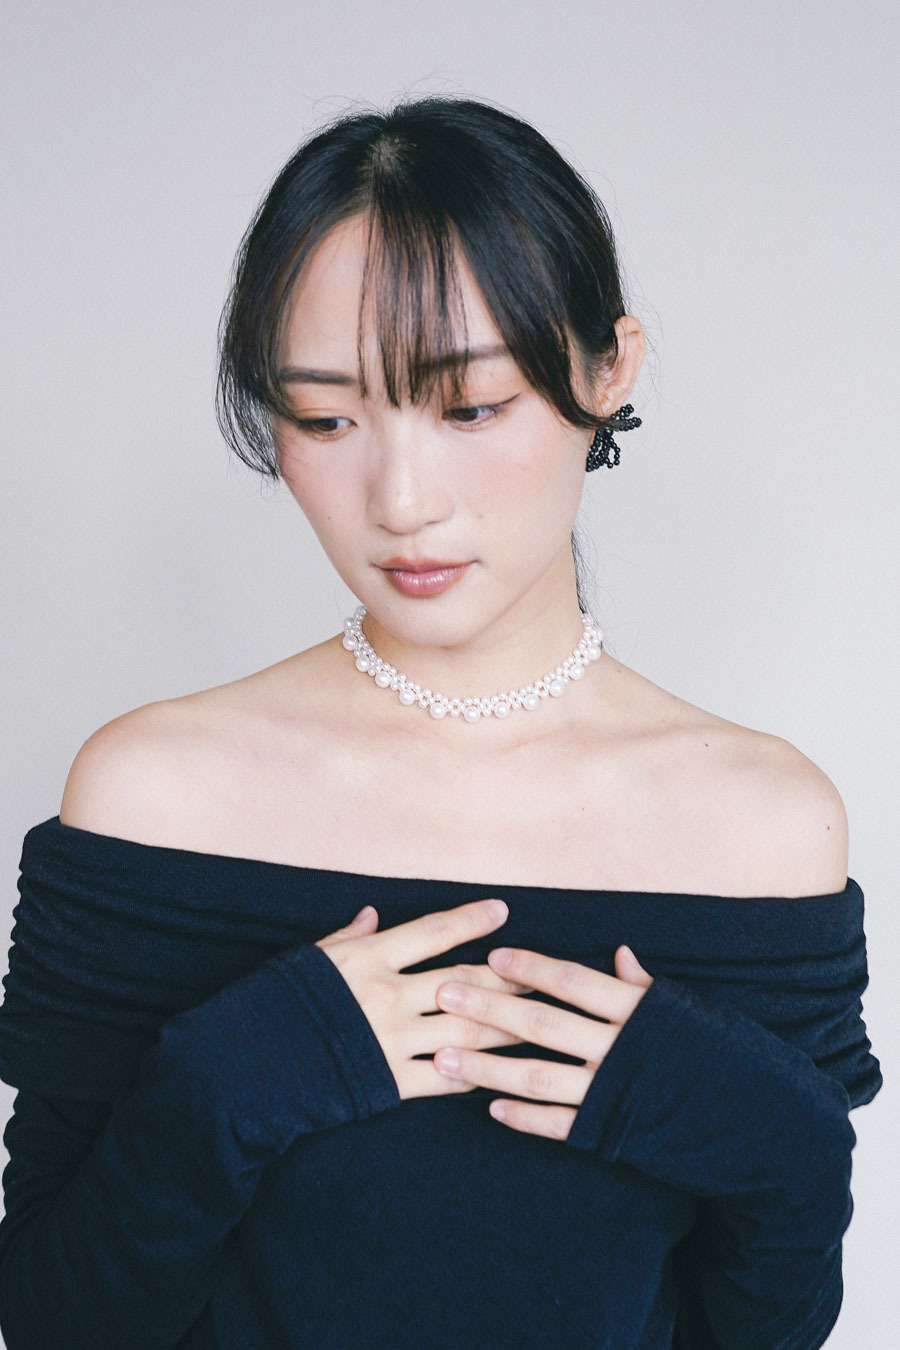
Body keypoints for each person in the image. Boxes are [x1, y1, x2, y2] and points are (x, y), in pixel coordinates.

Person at [0, 95, 882, 1350]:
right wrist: (231, 1081)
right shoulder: (153, 792)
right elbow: (54, 1320)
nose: (401, 500)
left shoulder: (763, 829)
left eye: (469, 408)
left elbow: (764, 1330)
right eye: (325, 419)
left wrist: (780, 1140)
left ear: (609, 369)